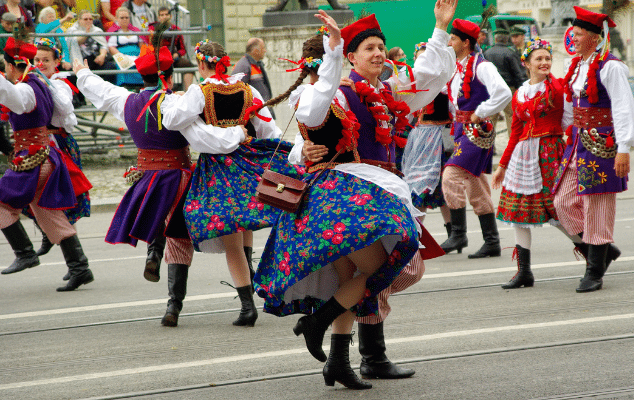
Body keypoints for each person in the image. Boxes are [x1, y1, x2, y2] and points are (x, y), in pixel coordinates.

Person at [257, 2, 455, 389]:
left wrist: (440, 27)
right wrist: (306, 151)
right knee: (389, 266)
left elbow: (431, 75)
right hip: (348, 194)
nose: (379, 54)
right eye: (369, 49)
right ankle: (336, 334)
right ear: (351, 57)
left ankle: (340, 362)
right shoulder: (343, 94)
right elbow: (307, 127)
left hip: (377, 191)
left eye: (382, 48)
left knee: (354, 276)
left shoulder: (390, 90)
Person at [160, 38, 300, 328]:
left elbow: (173, 119)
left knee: (232, 238)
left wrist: (176, 104)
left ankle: (248, 306)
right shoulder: (247, 90)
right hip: (246, 163)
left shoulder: (201, 91)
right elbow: (268, 129)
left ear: (201, 63)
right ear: (225, 61)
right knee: (244, 227)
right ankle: (248, 293)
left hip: (218, 169)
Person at [74, 36, 204, 326]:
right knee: (180, 237)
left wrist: (82, 72)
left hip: (146, 175)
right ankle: (173, 307)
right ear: (168, 76)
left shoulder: (126, 100)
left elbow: (101, 89)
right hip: (178, 175)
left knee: (156, 216)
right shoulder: (175, 102)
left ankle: (153, 254)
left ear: (140, 76)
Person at [491, 38, 590, 289]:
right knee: (518, 214)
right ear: (526, 63)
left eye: (548, 58)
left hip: (549, 153)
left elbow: (569, 120)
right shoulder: (520, 93)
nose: (545, 62)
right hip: (523, 157)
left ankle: (594, 256)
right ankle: (524, 272)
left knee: (558, 211)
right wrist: (502, 166)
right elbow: (515, 131)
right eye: (539, 59)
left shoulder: (556, 88)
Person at [552, 6, 634, 293]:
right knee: (563, 202)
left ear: (593, 36)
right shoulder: (576, 65)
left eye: (577, 34)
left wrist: (624, 148)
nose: (572, 38)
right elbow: (570, 105)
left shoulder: (610, 66)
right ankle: (602, 251)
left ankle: (594, 269)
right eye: (572, 33)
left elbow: (624, 109)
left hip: (603, 144)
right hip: (577, 141)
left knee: (597, 207)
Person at [0, 33, 94, 291]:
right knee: (49, 213)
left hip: (34, 157)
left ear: (10, 66)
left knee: (1, 203)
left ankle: (24, 252)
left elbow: (12, 97)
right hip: (41, 155)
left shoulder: (28, 87)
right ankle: (80, 267)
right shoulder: (37, 83)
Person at [439, 19, 511, 258]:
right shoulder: (459, 66)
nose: (450, 42)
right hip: (462, 129)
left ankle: (458, 233)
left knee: (450, 176)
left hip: (476, 130)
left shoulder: (482, 66)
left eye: (453, 39)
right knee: (475, 183)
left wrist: (481, 112)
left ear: (465, 42)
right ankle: (492, 241)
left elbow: (503, 92)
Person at [28, 38, 93, 266]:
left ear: (57, 62)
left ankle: (74, 261)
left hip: (59, 143)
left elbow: (65, 108)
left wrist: (46, 82)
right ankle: (49, 233)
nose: (41, 63)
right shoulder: (30, 82)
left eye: (46, 60)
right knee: (31, 194)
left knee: (62, 200)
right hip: (41, 143)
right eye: (37, 59)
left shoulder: (60, 84)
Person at [401, 41, 451, 231]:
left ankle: (453, 232)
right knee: (418, 185)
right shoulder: (412, 83)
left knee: (439, 187)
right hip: (419, 138)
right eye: (421, 58)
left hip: (437, 138)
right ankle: (417, 233)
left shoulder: (443, 84)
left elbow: (454, 109)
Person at [484, 28, 527, 136]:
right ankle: (512, 145)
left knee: (492, 117)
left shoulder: (487, 53)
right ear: (506, 39)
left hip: (491, 88)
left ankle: (490, 147)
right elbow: (518, 73)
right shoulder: (510, 53)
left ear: (495, 39)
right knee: (511, 116)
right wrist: (521, 87)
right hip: (508, 88)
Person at [148, 6, 193, 90]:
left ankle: (187, 91)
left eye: (166, 14)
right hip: (159, 58)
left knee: (189, 66)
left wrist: (177, 54)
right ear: (158, 17)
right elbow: (150, 46)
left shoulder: (176, 29)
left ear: (171, 16)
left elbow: (183, 49)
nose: (164, 16)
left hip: (172, 57)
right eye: (162, 15)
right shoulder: (153, 28)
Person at [67, 10, 117, 84]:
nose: (88, 21)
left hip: (96, 60)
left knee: (111, 67)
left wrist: (102, 55)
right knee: (70, 75)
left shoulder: (96, 30)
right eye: (85, 19)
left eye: (90, 19)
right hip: (80, 61)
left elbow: (103, 45)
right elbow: (75, 42)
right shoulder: (72, 30)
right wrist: (86, 33)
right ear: (79, 20)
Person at [231, 37, 275, 118]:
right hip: (254, 117)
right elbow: (236, 93)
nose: (265, 50)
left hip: (262, 113)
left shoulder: (256, 64)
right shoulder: (243, 66)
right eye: (263, 48)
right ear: (255, 51)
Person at [107, 7, 143, 86]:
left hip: (137, 56)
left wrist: (141, 56)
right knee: (121, 65)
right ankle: (125, 85)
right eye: (122, 18)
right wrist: (122, 57)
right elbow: (111, 48)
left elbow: (142, 46)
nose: (124, 19)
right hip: (121, 56)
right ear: (117, 18)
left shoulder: (135, 31)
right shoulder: (114, 32)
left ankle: (141, 85)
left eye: (126, 17)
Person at [35, 6, 74, 70]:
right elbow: (47, 29)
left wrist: (65, 60)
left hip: (57, 59)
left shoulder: (59, 30)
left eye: (53, 17)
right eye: (50, 17)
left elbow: (64, 47)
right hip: (44, 59)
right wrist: (64, 19)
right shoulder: (40, 27)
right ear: (42, 19)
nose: (52, 19)